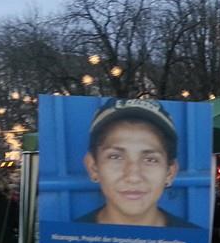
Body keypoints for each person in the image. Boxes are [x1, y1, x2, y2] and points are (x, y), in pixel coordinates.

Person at [78, 98, 194, 228]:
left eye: (150, 159)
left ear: (170, 173)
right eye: (115, 157)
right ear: (93, 167)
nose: (133, 177)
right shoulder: (66, 241)